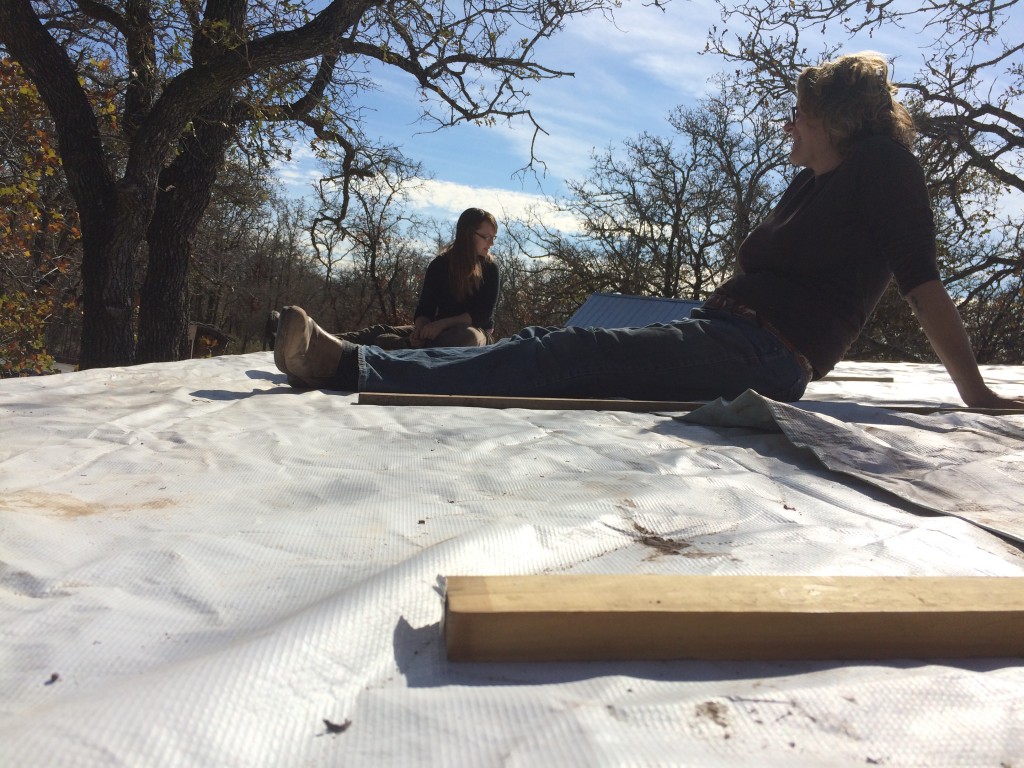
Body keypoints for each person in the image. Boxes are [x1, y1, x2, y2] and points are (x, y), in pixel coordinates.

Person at [274, 52, 1023, 409]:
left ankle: (347, 370)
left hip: (762, 356)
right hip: (721, 333)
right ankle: (365, 357)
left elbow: (923, 281)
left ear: (834, 118)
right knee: (552, 349)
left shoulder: (884, 166)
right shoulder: (813, 181)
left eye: (799, 112)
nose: (787, 123)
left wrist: (976, 392)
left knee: (562, 351)